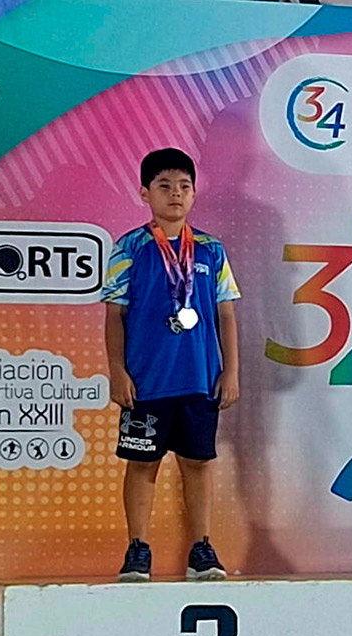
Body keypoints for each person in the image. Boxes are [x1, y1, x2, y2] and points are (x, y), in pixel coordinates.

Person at [102, 148, 241, 581]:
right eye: (164, 186)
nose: (175, 194)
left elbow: (225, 314)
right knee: (142, 464)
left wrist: (231, 371)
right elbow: (114, 315)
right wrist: (117, 371)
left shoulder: (211, 250)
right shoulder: (129, 247)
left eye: (183, 186)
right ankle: (137, 549)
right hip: (146, 382)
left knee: (197, 463)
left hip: (200, 379)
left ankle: (202, 548)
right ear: (145, 193)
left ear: (194, 194)